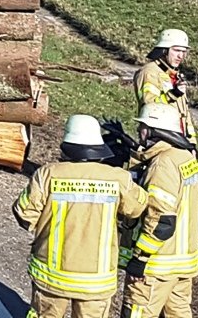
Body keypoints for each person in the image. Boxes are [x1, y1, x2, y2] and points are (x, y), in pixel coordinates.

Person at [12, 115, 148, 318]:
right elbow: (138, 208)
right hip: (96, 282)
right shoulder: (118, 178)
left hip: (51, 277)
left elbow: (24, 214)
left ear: (67, 145)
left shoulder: (48, 174)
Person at [120, 103, 198, 318]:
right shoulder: (184, 158)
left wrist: (140, 259)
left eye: (143, 128)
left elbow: (161, 219)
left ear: (154, 131)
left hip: (156, 266)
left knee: (138, 312)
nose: (139, 133)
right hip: (182, 263)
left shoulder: (162, 164)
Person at [133, 29, 197, 150]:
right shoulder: (149, 73)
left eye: (184, 52)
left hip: (179, 140)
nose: (181, 56)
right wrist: (172, 94)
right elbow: (150, 106)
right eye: (177, 50)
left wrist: (192, 143)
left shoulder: (173, 75)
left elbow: (184, 114)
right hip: (159, 140)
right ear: (164, 50)